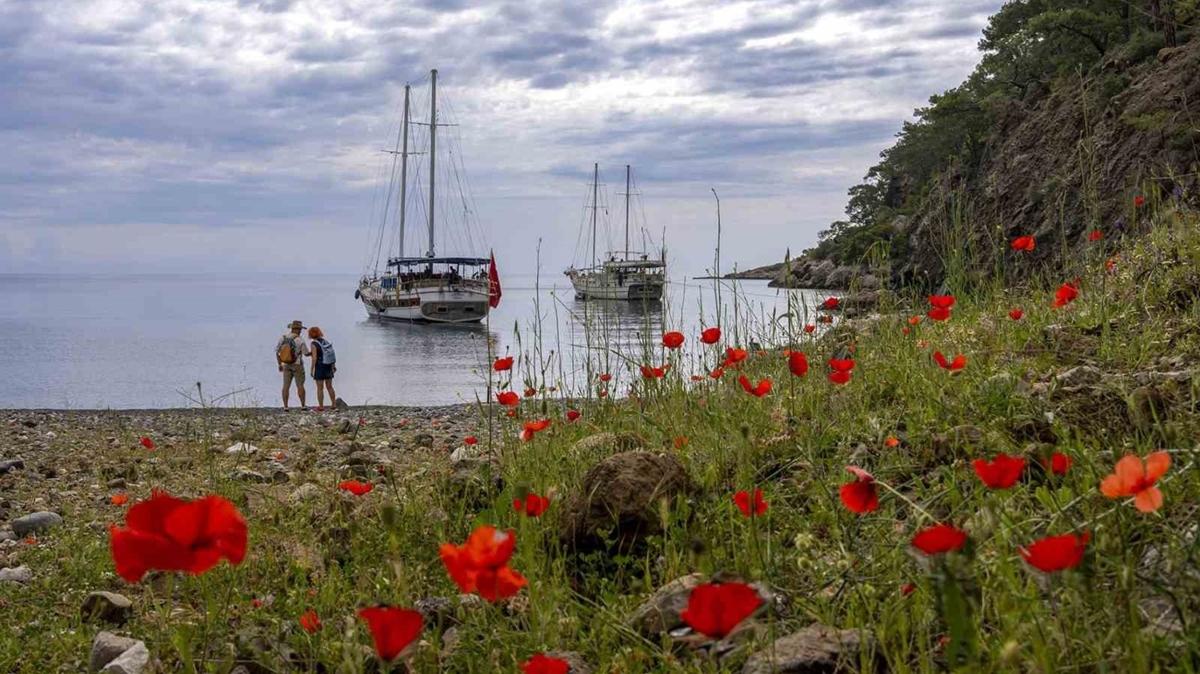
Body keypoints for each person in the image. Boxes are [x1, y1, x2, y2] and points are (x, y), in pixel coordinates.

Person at [276, 320, 311, 410]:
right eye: (300, 330)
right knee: (300, 385)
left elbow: (277, 352)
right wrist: (313, 353)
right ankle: (303, 405)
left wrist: (279, 364)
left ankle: (285, 406)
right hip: (297, 364)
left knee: (285, 386)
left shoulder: (283, 338)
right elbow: (306, 353)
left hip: (286, 365)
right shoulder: (300, 340)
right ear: (298, 330)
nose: (300, 331)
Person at [307, 326, 338, 411]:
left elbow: (314, 358)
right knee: (330, 386)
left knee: (320, 388)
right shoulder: (326, 342)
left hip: (320, 366)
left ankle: (321, 406)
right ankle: (334, 404)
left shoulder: (314, 344)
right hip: (328, 365)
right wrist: (333, 366)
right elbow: (331, 354)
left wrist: (312, 369)